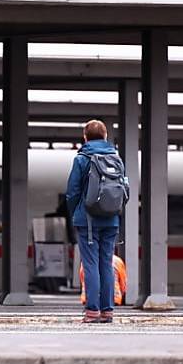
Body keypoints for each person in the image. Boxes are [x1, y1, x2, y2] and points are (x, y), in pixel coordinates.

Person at [65, 120, 124, 323]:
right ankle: (107, 311)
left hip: (88, 221)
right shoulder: (116, 158)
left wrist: (77, 213)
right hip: (111, 220)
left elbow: (72, 192)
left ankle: (92, 311)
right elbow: (124, 190)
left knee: (90, 264)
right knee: (106, 264)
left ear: (85, 137)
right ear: (106, 136)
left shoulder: (82, 159)